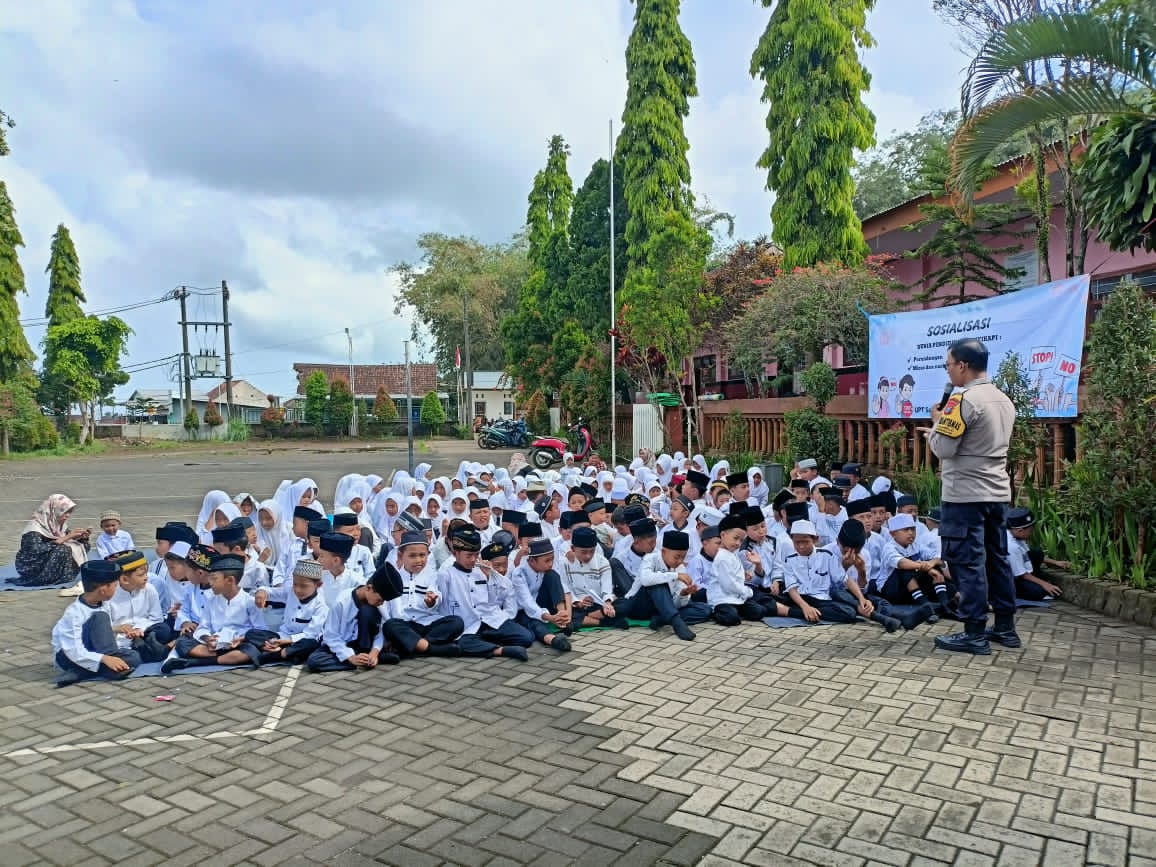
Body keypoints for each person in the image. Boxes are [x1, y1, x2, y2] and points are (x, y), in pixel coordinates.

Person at [921, 338, 1017, 654]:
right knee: (997, 559)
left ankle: (974, 632)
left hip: (965, 495)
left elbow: (944, 449)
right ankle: (1005, 627)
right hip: (997, 493)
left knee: (968, 562)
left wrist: (936, 426)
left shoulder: (962, 401)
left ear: (962, 365)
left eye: (948, 365)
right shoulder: (1003, 399)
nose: (948, 371)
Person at [162, 554, 266, 673]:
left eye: (214, 578)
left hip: (238, 645)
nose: (210, 582)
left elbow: (260, 631)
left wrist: (241, 639)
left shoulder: (249, 602)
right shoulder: (211, 601)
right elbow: (203, 627)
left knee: (250, 651)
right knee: (183, 642)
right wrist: (208, 639)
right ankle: (221, 658)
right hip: (213, 646)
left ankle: (197, 662)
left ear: (230, 580)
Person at [52, 560, 141, 684]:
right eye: (115, 586)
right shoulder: (73, 613)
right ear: (103, 590)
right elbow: (74, 651)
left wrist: (115, 629)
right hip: (68, 657)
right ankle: (91, 670)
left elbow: (98, 633)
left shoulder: (103, 603)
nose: (117, 589)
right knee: (100, 617)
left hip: (95, 651)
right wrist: (105, 658)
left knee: (134, 657)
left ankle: (81, 672)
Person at [381, 531, 465, 658]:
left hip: (427, 624)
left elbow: (437, 596)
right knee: (390, 625)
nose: (418, 560)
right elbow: (386, 609)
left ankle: (410, 646)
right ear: (400, 555)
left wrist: (431, 602)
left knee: (457, 622)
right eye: (412, 556)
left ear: (428, 555)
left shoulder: (432, 575)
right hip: (405, 624)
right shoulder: (394, 577)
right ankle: (433, 649)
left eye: (422, 555)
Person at [308, 563, 402, 672]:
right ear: (369, 588)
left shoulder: (376, 605)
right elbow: (331, 636)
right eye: (380, 600)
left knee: (368, 611)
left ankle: (367, 657)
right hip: (343, 644)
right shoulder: (341, 602)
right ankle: (362, 661)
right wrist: (350, 657)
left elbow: (379, 632)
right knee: (314, 661)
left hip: (365, 646)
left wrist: (374, 652)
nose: (381, 604)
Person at [250, 559, 330, 664]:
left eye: (303, 586)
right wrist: (261, 593)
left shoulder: (320, 605)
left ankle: (279, 653)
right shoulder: (290, 591)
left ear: (318, 585)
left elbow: (311, 634)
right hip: (282, 636)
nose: (297, 590)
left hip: (300, 641)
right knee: (252, 634)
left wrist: (288, 640)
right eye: (295, 584)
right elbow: (270, 592)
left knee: (311, 644)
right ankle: (283, 652)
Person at [107, 549, 174, 662]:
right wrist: (120, 629)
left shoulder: (149, 589)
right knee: (132, 657)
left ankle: (146, 646)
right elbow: (106, 626)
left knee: (164, 629)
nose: (146, 577)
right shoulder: (110, 596)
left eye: (146, 573)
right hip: (121, 637)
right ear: (124, 579)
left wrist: (140, 629)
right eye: (141, 575)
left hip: (145, 632)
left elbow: (157, 618)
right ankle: (146, 650)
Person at [14, 494, 90, 591]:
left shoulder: (57, 524)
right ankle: (48, 578)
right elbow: (35, 551)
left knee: (82, 545)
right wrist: (65, 538)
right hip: (31, 564)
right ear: (53, 511)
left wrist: (81, 537)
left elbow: (68, 538)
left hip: (48, 558)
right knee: (63, 549)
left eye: (69, 512)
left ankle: (62, 574)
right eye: (64, 512)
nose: (67, 515)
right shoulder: (35, 528)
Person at [1005, 508, 1063, 601]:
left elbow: (1027, 554)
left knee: (1037, 553)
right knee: (1038, 592)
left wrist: (1056, 562)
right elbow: (1022, 574)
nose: (1031, 533)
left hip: (1018, 568)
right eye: (1030, 530)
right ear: (1020, 530)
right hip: (1010, 577)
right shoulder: (1011, 546)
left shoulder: (1016, 535)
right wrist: (1045, 584)